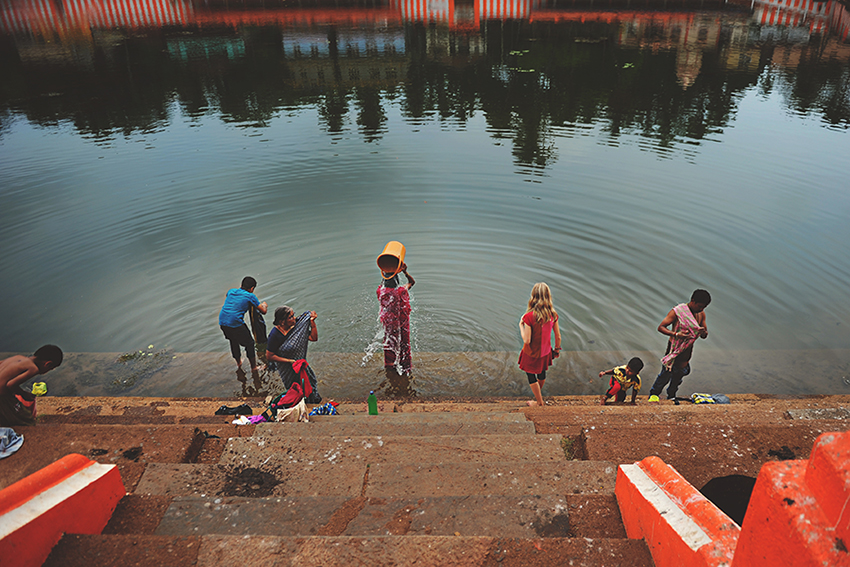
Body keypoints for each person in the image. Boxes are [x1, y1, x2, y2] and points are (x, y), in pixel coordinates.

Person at [648, 289, 711, 402]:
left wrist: (703, 333)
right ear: (693, 301)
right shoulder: (677, 312)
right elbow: (661, 327)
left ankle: (671, 394)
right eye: (700, 306)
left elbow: (704, 335)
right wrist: (676, 334)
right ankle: (654, 394)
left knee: (679, 375)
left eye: (704, 307)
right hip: (674, 347)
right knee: (665, 374)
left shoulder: (701, 314)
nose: (701, 309)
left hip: (687, 349)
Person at [266, 306, 322, 404]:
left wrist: (312, 323)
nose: (294, 318)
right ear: (282, 322)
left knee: (308, 385)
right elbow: (269, 356)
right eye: (290, 317)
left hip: (300, 365)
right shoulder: (275, 334)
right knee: (294, 389)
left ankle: (311, 402)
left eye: (293, 315)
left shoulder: (297, 328)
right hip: (287, 368)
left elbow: (313, 338)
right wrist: (290, 361)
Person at [518, 283, 562, 407]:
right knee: (542, 374)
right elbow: (558, 336)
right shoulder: (553, 315)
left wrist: (521, 326)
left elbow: (527, 340)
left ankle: (539, 402)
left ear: (533, 297)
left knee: (531, 376)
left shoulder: (528, 317)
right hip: (546, 352)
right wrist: (557, 350)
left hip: (530, 353)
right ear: (548, 297)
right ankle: (538, 395)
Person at [0, 345, 63, 427]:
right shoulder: (33, 368)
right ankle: (28, 432)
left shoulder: (18, 357)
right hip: (3, 397)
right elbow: (10, 384)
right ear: (47, 364)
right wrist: (24, 394)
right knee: (26, 418)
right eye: (50, 369)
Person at [219, 276, 267, 371]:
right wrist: (264, 305)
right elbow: (263, 311)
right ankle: (254, 367)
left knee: (233, 340)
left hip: (222, 321)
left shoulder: (231, 291)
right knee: (250, 343)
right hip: (235, 322)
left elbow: (229, 298)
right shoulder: (250, 296)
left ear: (241, 285)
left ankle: (239, 362)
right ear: (252, 288)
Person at [377, 262, 415, 375]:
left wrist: (384, 271)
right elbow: (412, 282)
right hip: (402, 324)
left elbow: (382, 284)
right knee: (404, 344)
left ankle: (389, 365)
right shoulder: (401, 291)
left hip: (389, 324)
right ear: (397, 282)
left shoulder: (380, 291)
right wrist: (404, 271)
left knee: (389, 343)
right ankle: (405, 367)